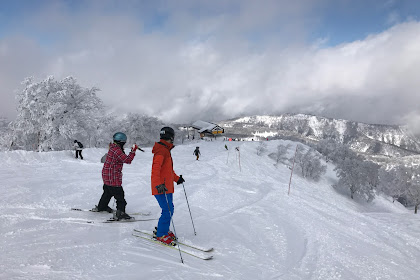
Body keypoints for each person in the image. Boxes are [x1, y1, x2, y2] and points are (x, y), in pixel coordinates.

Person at [92, 132, 138, 220]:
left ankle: (102, 207)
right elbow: (127, 160)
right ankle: (120, 213)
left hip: (106, 175)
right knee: (120, 195)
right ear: (121, 142)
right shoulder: (117, 150)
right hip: (112, 176)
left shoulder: (113, 148)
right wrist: (133, 151)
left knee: (107, 192)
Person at [151, 127, 185, 245]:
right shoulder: (161, 151)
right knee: (167, 210)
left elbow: (168, 170)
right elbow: (155, 170)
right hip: (161, 188)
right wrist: (158, 184)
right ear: (171, 137)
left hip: (166, 187)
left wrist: (177, 179)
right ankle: (161, 234)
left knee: (170, 209)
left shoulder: (165, 149)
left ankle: (163, 229)